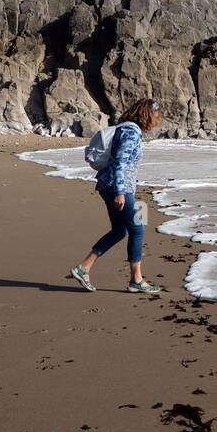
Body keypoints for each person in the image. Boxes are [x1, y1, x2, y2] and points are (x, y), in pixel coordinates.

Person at [69, 98, 163, 294]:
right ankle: (136, 280)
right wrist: (120, 192)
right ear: (146, 114)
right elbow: (120, 162)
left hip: (108, 184)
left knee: (120, 230)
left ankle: (83, 268)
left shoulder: (124, 129)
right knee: (137, 229)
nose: (156, 120)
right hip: (117, 187)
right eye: (155, 115)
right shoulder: (131, 133)